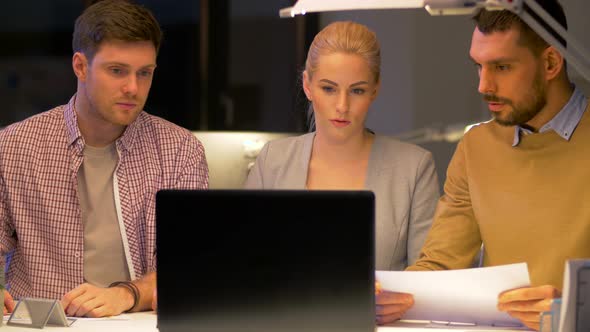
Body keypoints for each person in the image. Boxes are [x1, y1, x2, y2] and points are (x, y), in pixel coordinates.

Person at [376, 1, 590, 330]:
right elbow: (441, 263)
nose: (483, 86)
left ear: (550, 62)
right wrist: (391, 296)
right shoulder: (477, 146)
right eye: (479, 66)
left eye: (501, 67)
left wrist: (575, 309)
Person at [0, 0, 208, 317]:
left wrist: (126, 294)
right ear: (80, 66)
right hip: (39, 325)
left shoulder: (180, 149)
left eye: (145, 73)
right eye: (116, 71)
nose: (132, 88)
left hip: (136, 323)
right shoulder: (15, 146)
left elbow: (194, 265)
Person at [245, 21, 440, 271]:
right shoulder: (273, 160)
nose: (342, 106)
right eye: (329, 88)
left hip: (380, 312)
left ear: (375, 89)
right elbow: (244, 263)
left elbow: (428, 278)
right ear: (307, 85)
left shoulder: (414, 168)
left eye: (357, 91)